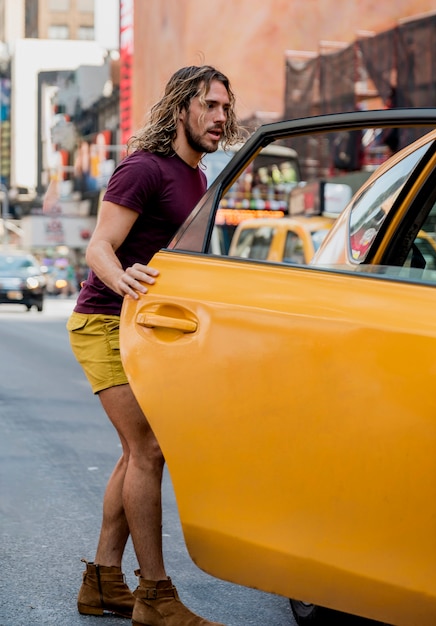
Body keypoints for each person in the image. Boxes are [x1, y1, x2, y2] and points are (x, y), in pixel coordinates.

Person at [66, 65, 241, 626]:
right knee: (148, 450)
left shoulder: (198, 176)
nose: (221, 117)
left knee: (133, 452)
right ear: (182, 107)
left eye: (224, 107)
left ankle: (102, 582)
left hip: (146, 328)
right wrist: (124, 282)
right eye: (210, 106)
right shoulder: (143, 168)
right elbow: (99, 248)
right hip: (103, 322)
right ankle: (155, 597)